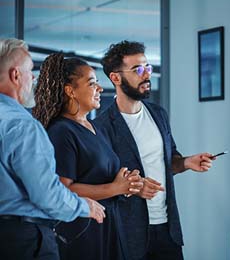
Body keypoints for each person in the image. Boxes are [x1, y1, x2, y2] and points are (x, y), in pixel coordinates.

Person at [94, 40, 216, 260]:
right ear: (115, 78)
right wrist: (134, 188)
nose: (146, 75)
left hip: (168, 229)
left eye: (147, 67)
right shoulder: (102, 127)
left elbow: (169, 160)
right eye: (138, 69)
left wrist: (187, 162)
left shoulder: (158, 114)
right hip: (129, 234)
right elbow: (102, 183)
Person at [0, 38, 106, 260]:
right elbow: (46, 195)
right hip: (22, 240)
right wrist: (83, 206)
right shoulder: (22, 125)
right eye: (30, 71)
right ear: (15, 75)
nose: (34, 78)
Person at [32, 53, 143, 260]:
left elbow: (100, 176)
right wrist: (114, 188)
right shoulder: (61, 132)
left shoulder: (92, 127)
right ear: (70, 91)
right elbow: (62, 189)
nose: (100, 88)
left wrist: (127, 184)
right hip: (83, 234)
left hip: (107, 227)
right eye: (92, 83)